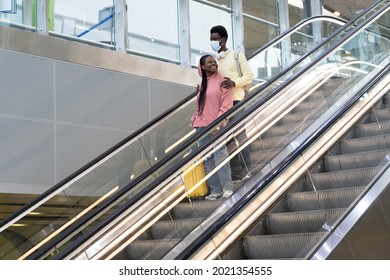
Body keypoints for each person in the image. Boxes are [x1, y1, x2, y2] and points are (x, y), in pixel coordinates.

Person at [210, 25, 254, 181]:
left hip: (236, 101)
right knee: (227, 138)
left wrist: (234, 83)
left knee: (239, 135)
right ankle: (235, 173)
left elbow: (249, 76)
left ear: (223, 39)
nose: (213, 42)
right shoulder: (214, 61)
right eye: (211, 39)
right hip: (221, 105)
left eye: (215, 39)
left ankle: (247, 170)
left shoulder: (237, 55)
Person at [191, 54, 234, 200]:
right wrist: (194, 119)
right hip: (201, 127)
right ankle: (215, 190)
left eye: (214, 61)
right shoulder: (202, 84)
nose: (213, 64)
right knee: (207, 159)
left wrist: (219, 123)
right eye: (209, 62)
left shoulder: (223, 82)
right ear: (202, 66)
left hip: (216, 125)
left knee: (220, 156)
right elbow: (200, 107)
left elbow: (227, 106)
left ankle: (227, 188)